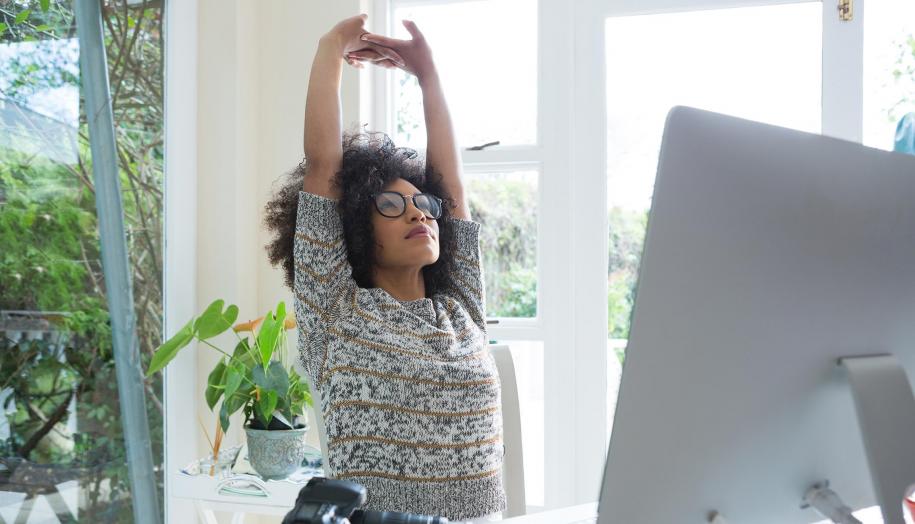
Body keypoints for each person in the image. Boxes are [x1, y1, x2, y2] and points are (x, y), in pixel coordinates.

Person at [263, 14, 506, 522]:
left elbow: (452, 190)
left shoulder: (461, 308)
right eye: (392, 207)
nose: (420, 212)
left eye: (423, 204)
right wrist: (331, 48)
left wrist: (429, 75)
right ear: (356, 229)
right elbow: (323, 169)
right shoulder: (336, 312)